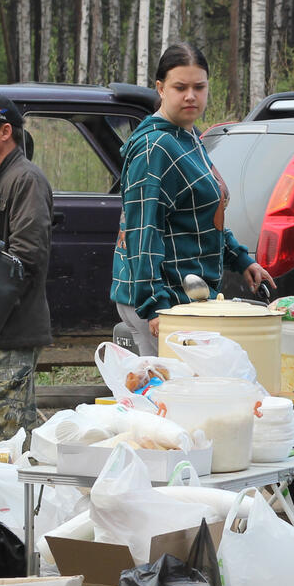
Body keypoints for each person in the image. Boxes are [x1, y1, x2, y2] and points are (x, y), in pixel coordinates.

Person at [111, 43, 271, 355]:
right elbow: (143, 232)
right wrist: (155, 304)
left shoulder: (187, 138)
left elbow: (202, 217)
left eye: (199, 87)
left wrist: (241, 259)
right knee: (170, 396)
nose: (191, 96)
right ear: (160, 88)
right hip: (164, 301)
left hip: (186, 296)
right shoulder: (155, 147)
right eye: (180, 87)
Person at [0, 92, 54, 450]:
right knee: (7, 430)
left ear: (5, 131)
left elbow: (27, 258)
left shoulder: (26, 180)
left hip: (14, 328)